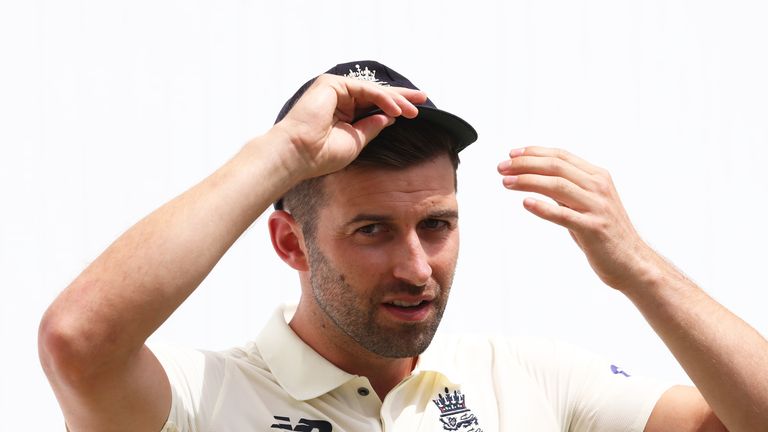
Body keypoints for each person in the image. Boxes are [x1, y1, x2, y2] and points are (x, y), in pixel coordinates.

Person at [38, 60, 767, 432]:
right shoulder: (203, 396)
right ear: (290, 243)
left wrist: (637, 267)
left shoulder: (534, 380)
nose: (417, 268)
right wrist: (286, 151)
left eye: (437, 225)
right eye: (372, 231)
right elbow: (78, 339)